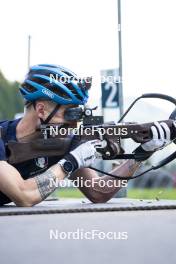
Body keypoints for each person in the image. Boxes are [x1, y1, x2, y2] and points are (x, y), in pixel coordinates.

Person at [0, 64, 172, 206]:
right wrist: (70, 163)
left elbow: (98, 191)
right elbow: (23, 195)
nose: (75, 125)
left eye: (79, 115)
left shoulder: (59, 143)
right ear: (41, 110)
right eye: (70, 114)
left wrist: (141, 155)